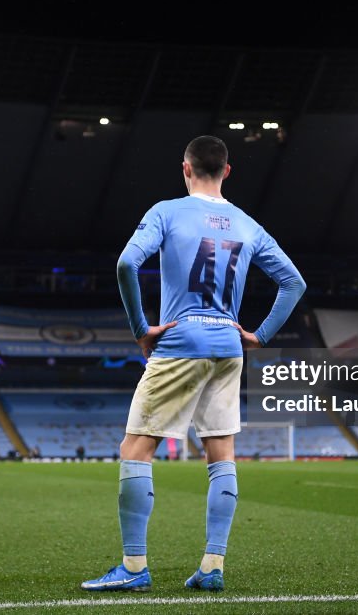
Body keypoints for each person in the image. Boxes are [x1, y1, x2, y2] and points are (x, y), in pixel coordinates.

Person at [81, 136, 305, 593]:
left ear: (185, 168)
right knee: (220, 454)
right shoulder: (247, 224)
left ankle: (134, 566)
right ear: (228, 170)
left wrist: (141, 327)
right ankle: (211, 566)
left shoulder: (166, 211)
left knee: (134, 450)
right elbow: (293, 283)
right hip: (228, 347)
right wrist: (259, 335)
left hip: (181, 342)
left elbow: (127, 264)